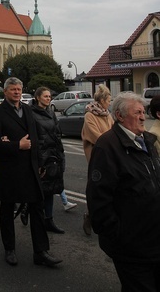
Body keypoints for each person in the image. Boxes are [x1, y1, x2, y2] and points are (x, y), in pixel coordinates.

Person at [86, 91, 160, 292]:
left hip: (153, 240)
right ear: (120, 116)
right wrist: (119, 236)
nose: (143, 116)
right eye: (137, 112)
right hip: (131, 247)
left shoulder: (147, 140)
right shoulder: (107, 146)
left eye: (143, 112)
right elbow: (98, 200)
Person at [0, 77, 62, 268]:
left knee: (37, 208)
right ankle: (9, 249)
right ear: (5, 92)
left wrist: (39, 163)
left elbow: (35, 137)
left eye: (19, 89)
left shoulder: (28, 110)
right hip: (10, 170)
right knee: (7, 209)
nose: (17, 92)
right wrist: (16, 145)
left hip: (30, 168)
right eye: (13, 89)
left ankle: (41, 251)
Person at [31, 86, 65, 233]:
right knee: (40, 191)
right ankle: (36, 218)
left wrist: (60, 153)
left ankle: (49, 220)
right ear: (38, 97)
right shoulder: (31, 113)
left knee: (51, 189)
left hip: (53, 156)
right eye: (45, 96)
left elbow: (57, 133)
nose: (48, 98)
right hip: (41, 156)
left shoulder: (51, 112)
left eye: (49, 96)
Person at [81, 84, 113, 235]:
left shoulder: (107, 113)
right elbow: (96, 137)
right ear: (101, 100)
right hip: (97, 154)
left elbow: (115, 131)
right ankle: (89, 215)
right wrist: (113, 142)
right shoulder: (90, 115)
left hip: (111, 152)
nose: (110, 102)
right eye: (108, 99)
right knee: (96, 187)